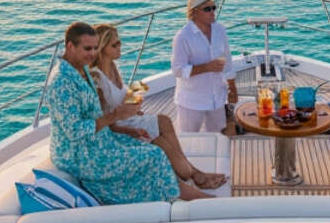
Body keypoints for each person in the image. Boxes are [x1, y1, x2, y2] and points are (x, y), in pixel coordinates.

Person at [49, 21, 212, 204]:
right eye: (88, 48)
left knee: (153, 149)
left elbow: (94, 116)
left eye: (95, 48)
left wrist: (128, 130)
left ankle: (181, 190)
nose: (93, 54)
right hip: (79, 155)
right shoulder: (62, 83)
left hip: (101, 140)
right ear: (70, 46)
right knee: (153, 156)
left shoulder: (81, 68)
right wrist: (116, 116)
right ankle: (195, 198)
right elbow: (75, 131)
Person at [92, 24, 226, 190]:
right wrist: (129, 127)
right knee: (162, 140)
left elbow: (120, 99)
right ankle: (193, 175)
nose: (120, 47)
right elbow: (106, 120)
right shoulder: (96, 78)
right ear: (102, 48)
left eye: (119, 42)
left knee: (164, 120)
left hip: (131, 119)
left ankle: (192, 172)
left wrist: (134, 105)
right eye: (115, 44)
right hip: (121, 128)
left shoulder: (112, 67)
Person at [172, 0, 238, 134]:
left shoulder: (220, 30)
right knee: (188, 142)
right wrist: (206, 67)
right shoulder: (183, 37)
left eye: (214, 7)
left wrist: (232, 87)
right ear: (194, 12)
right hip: (192, 101)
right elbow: (177, 70)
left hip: (217, 98)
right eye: (207, 9)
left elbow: (227, 61)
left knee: (219, 139)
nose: (213, 12)